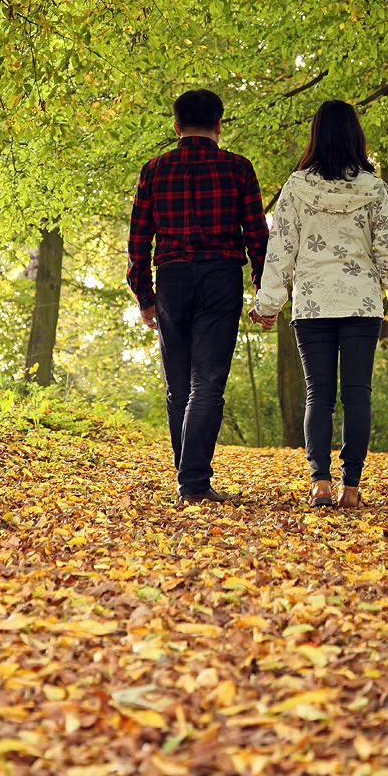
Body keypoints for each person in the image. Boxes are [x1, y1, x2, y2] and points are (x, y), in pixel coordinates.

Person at [253, 100, 388, 508]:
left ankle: (320, 482)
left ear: (315, 135)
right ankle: (350, 487)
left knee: (317, 394)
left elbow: (280, 251)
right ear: (356, 136)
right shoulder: (373, 188)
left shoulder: (296, 187)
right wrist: (380, 275)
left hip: (313, 303)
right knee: (358, 394)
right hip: (361, 303)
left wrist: (267, 305)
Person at [127, 89, 269, 506]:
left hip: (171, 279)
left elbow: (138, 242)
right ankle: (192, 483)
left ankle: (188, 477)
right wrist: (263, 286)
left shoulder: (153, 170)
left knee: (178, 385)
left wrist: (145, 296)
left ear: (176, 126)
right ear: (219, 125)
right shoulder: (238, 168)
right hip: (220, 278)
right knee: (206, 382)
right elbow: (257, 236)